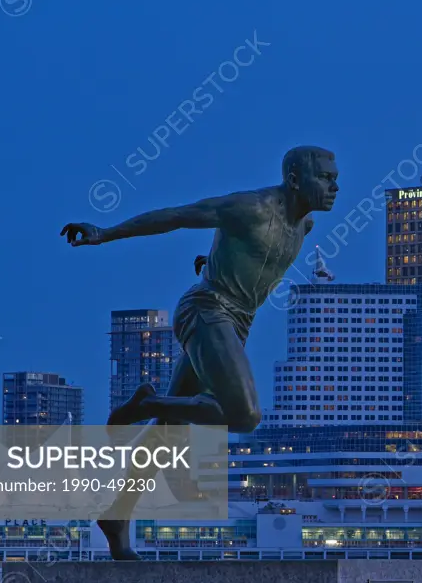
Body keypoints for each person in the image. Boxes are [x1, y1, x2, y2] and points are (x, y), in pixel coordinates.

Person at [60, 146, 338, 559]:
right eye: (325, 178)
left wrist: (210, 261)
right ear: (295, 179)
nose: (334, 187)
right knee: (244, 415)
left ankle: (117, 516)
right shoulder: (250, 208)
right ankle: (147, 401)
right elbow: (175, 216)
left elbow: (248, 260)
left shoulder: (305, 226)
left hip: (236, 324)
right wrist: (105, 233)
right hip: (207, 310)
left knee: (169, 429)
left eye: (336, 179)